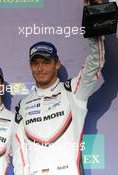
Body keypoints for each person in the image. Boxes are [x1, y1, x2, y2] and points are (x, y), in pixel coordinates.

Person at [17, 36, 105, 175]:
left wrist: (95, 36)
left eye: (46, 62)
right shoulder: (23, 104)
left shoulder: (73, 90)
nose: (40, 68)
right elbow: (20, 154)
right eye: (35, 63)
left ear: (57, 64)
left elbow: (94, 64)